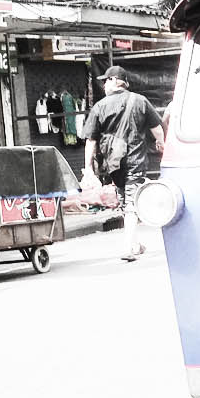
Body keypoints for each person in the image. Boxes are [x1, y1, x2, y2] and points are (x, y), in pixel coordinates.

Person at [81, 66, 165, 262]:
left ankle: (132, 245)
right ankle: (131, 245)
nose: (104, 85)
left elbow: (90, 141)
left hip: (114, 163)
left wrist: (89, 168)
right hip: (136, 161)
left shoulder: (99, 107)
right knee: (131, 203)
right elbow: (157, 129)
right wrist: (160, 143)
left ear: (116, 81)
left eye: (106, 80)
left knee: (126, 202)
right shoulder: (140, 101)